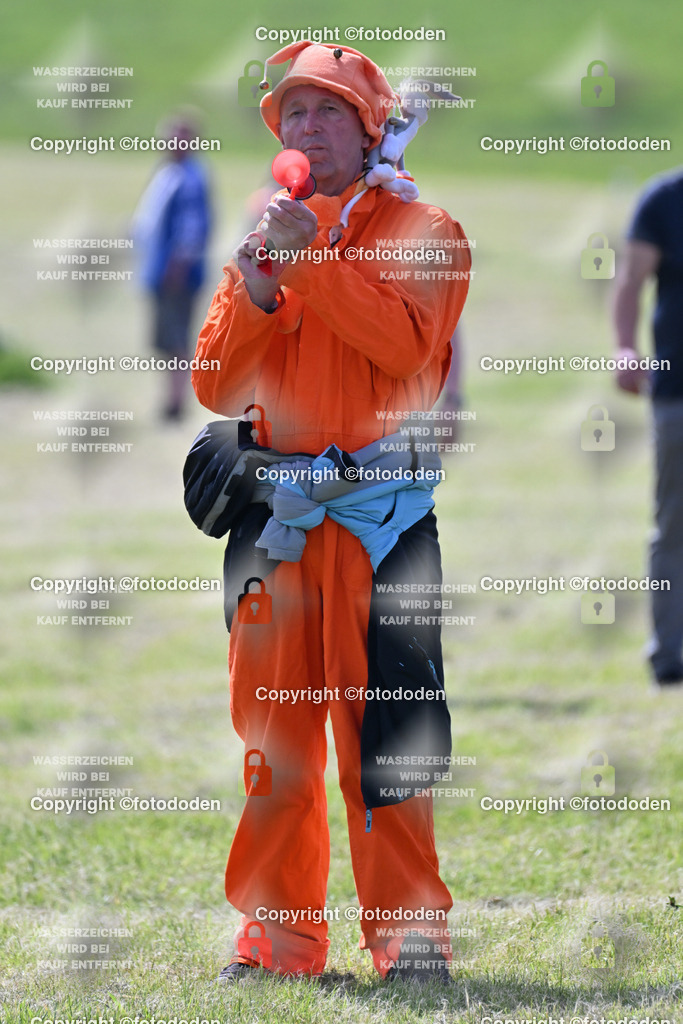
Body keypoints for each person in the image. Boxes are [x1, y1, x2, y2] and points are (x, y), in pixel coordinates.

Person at [191, 41, 471, 981]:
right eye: (293, 115)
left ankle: (410, 938)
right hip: (272, 525)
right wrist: (258, 286)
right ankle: (276, 941)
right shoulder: (270, 228)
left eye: (328, 112)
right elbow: (212, 383)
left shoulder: (426, 228)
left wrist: (310, 263)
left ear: (370, 127)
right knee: (273, 745)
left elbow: (403, 348)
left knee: (389, 742)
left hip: (381, 527)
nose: (306, 128)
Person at [613, 167, 683, 687]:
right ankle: (668, 654)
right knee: (674, 522)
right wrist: (625, 347)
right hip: (677, 391)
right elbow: (632, 280)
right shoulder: (664, 200)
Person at [133, 111, 212, 420]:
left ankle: (176, 403)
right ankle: (170, 398)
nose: (173, 141)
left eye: (181, 135)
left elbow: (192, 229)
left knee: (176, 337)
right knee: (165, 338)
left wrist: (178, 266)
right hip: (159, 269)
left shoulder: (190, 177)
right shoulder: (168, 172)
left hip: (176, 274)